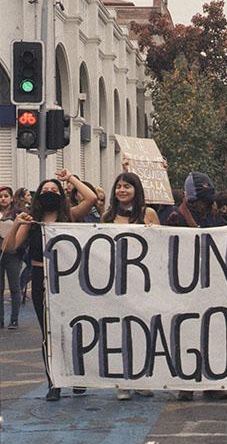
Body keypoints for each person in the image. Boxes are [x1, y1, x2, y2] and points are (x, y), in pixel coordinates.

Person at [3, 170, 96, 401]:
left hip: (68, 280)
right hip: (41, 277)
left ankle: (77, 378)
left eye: (54, 190)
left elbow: (91, 199)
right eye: (45, 191)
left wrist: (70, 179)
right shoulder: (31, 221)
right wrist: (16, 224)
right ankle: (54, 381)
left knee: (74, 329)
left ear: (62, 195)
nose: (49, 193)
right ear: (38, 196)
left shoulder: (70, 216)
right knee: (48, 332)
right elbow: (11, 247)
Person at [167, 172, 227, 401]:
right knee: (188, 333)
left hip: (212, 284)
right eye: (198, 201)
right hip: (184, 285)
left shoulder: (213, 215)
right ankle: (187, 382)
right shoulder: (176, 216)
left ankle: (212, 381)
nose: (202, 205)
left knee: (213, 332)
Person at [100, 172, 159, 399]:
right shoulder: (108, 217)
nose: (122, 190)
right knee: (119, 331)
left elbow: (160, 245)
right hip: (116, 282)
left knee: (142, 330)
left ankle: (142, 378)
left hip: (142, 282)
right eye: (119, 186)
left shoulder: (148, 214)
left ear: (137, 190)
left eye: (127, 186)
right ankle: (122, 381)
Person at [0, 185, 23, 329]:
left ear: (11, 198)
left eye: (6, 196)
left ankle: (14, 319)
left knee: (15, 287)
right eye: (1, 196)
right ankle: (0, 320)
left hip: (13, 255)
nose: (3, 199)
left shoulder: (18, 213)